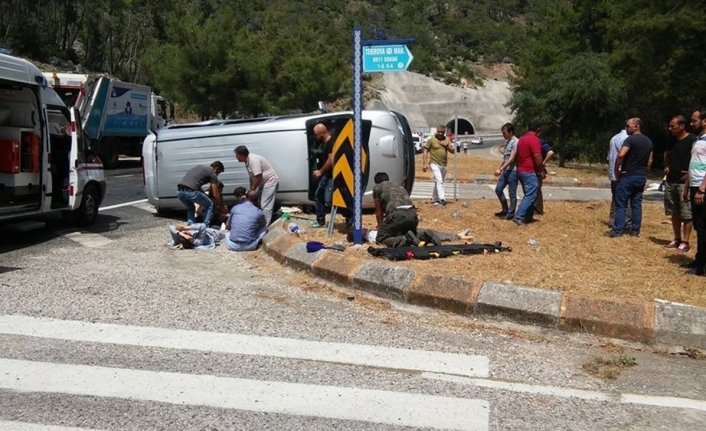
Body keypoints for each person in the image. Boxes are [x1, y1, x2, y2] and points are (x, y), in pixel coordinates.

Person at [605, 118, 653, 238]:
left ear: (636, 126)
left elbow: (621, 154)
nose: (626, 128)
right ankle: (635, 231)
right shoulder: (648, 141)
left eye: (628, 126)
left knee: (621, 204)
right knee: (636, 203)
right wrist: (645, 171)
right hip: (641, 176)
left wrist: (617, 169)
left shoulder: (630, 139)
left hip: (628, 175)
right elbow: (650, 161)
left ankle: (618, 230)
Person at [663, 115, 696, 253]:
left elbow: (698, 158)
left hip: (684, 184)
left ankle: (685, 241)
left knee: (686, 213)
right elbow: (667, 153)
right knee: (674, 212)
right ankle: (676, 238)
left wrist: (690, 173)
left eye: (673, 126)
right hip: (671, 180)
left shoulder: (692, 140)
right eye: (669, 126)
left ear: (682, 126)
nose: (670, 128)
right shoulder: (672, 140)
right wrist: (666, 165)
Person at [681, 109, 706, 275]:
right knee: (699, 226)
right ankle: (699, 259)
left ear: (704, 121)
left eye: (694, 120)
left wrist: (702, 189)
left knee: (704, 227)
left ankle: (701, 266)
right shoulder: (698, 140)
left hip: (702, 188)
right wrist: (686, 187)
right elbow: (693, 163)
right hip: (694, 186)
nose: (691, 123)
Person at [234, 145, 279, 225]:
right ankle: (259, 222)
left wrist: (252, 189)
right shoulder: (247, 162)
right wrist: (250, 190)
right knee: (257, 203)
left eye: (236, 155)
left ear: (242, 155)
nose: (236, 157)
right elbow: (252, 177)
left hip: (269, 182)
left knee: (265, 206)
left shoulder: (253, 160)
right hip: (263, 183)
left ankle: (264, 227)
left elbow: (258, 176)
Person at [373, 172, 418, 247]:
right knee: (407, 232)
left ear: (376, 182)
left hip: (398, 214)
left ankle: (404, 240)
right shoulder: (399, 186)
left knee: (380, 238)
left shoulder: (377, 187)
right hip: (412, 214)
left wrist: (380, 227)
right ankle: (423, 235)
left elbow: (378, 212)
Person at [513, 119, 545, 226]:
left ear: (527, 128)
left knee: (530, 194)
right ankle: (519, 216)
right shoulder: (534, 139)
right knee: (531, 195)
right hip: (529, 171)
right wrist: (541, 169)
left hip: (521, 170)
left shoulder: (521, 139)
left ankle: (528, 216)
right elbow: (537, 156)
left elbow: (517, 155)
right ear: (538, 130)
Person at [176, 161, 224, 226]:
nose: (217, 174)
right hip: (191, 192)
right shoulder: (212, 173)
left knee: (191, 208)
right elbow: (215, 193)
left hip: (179, 192)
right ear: (216, 169)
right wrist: (219, 203)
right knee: (209, 205)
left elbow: (196, 185)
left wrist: (204, 195)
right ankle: (205, 226)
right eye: (219, 172)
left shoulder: (199, 167)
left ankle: (191, 225)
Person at [422, 125, 455, 206]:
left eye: (442, 132)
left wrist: (446, 145)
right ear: (436, 131)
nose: (440, 133)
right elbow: (425, 150)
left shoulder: (447, 140)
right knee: (439, 180)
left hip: (443, 164)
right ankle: (442, 198)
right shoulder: (431, 140)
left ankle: (435, 199)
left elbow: (452, 151)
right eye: (439, 132)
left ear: (444, 132)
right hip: (434, 163)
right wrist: (425, 163)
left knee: (439, 182)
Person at [311, 123, 334, 228]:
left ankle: (349, 216)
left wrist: (320, 171)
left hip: (331, 175)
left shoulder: (331, 142)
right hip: (327, 175)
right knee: (318, 196)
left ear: (323, 132)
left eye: (316, 134)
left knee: (329, 200)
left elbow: (331, 160)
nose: (316, 137)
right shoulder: (325, 144)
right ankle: (320, 220)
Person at [494, 123, 519, 219]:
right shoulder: (508, 142)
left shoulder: (515, 142)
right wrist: (500, 169)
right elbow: (506, 159)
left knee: (512, 193)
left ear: (511, 132)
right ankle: (505, 209)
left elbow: (512, 159)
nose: (503, 135)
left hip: (513, 171)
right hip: (506, 171)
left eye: (504, 133)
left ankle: (511, 213)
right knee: (498, 189)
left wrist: (501, 168)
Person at [608, 125, 629, 225]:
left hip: (613, 171)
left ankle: (612, 219)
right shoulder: (627, 139)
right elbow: (622, 156)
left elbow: (610, 156)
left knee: (615, 196)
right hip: (621, 172)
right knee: (623, 199)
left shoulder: (614, 137)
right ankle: (621, 221)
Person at [534, 138, 555, 215]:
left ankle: (538, 209)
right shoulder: (539, 141)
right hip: (536, 169)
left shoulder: (540, 142)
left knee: (537, 189)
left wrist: (543, 163)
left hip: (538, 169)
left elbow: (550, 152)